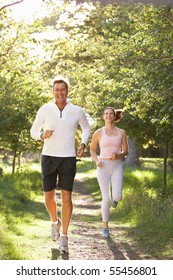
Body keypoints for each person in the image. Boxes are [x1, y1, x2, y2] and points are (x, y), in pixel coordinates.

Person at [30, 78, 90, 253]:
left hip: (68, 158)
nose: (60, 93)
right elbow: (33, 131)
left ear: (67, 91)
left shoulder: (77, 110)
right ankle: (55, 222)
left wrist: (83, 144)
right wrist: (42, 135)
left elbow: (86, 128)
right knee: (49, 197)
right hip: (48, 157)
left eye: (63, 90)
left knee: (66, 198)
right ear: (53, 92)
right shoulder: (45, 109)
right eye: (57, 90)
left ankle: (64, 236)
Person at [90, 107, 128, 238]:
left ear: (114, 116)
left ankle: (115, 200)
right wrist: (97, 161)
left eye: (110, 113)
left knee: (117, 197)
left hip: (117, 166)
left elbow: (125, 151)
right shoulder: (98, 133)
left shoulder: (121, 132)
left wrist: (119, 155)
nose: (108, 115)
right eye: (106, 114)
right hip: (103, 167)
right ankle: (105, 227)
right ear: (103, 116)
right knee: (105, 198)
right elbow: (92, 150)